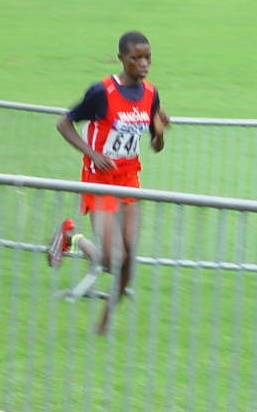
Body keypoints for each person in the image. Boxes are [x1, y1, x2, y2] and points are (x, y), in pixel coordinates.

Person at [48, 31, 169, 335]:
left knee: (129, 260)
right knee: (114, 258)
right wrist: (92, 154)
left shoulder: (151, 94)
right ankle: (71, 235)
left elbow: (156, 146)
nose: (144, 64)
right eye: (136, 58)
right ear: (122, 59)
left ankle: (105, 320)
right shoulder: (101, 92)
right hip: (99, 180)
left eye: (147, 57)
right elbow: (64, 123)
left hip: (129, 180)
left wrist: (159, 132)